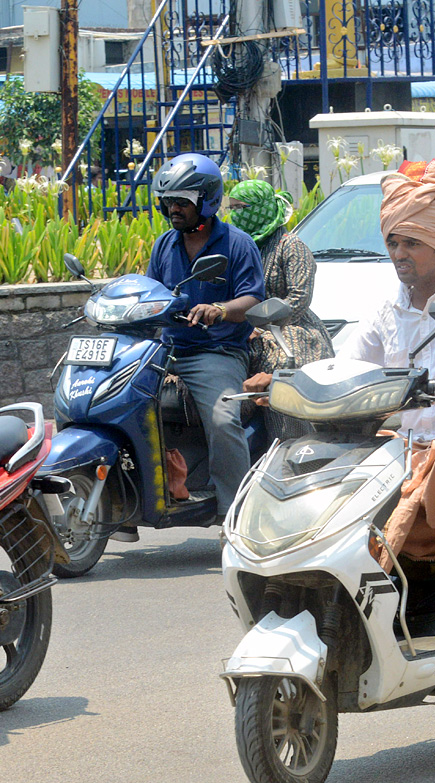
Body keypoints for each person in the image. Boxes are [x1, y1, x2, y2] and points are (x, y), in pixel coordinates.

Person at [246, 162, 435, 641]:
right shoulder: (387, 306)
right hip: (404, 443)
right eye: (393, 243)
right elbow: (344, 367)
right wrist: (280, 381)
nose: (399, 254)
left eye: (411, 243)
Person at [147, 153, 265, 519]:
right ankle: (128, 502)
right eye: (168, 202)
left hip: (216, 351)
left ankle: (235, 515)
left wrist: (221, 309)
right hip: (166, 348)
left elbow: (254, 297)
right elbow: (150, 293)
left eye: (183, 201)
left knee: (222, 419)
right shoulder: (164, 245)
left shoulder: (237, 243)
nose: (174, 209)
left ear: (207, 200)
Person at [226, 179, 334, 438]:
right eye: (232, 208)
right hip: (246, 330)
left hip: (289, 328)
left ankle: (294, 444)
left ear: (261, 208)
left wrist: (261, 327)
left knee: (284, 371)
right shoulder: (238, 247)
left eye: (242, 208)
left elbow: (298, 298)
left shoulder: (290, 245)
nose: (235, 215)